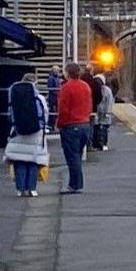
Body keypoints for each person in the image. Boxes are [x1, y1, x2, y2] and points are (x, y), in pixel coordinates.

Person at [4, 71, 49, 196]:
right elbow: (44, 113)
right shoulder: (38, 98)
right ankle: (32, 188)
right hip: (36, 131)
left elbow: (10, 113)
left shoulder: (13, 95)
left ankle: (20, 189)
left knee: (19, 161)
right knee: (33, 161)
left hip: (18, 130)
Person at [56, 60, 95, 193]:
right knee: (77, 155)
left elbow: (64, 109)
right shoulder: (85, 86)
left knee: (72, 157)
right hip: (85, 124)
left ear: (67, 73)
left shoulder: (67, 87)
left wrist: (59, 124)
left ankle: (75, 185)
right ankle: (77, 184)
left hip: (71, 126)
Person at [90, 71, 115, 154]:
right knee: (102, 128)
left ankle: (97, 144)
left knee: (97, 128)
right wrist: (108, 111)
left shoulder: (93, 88)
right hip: (103, 112)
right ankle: (102, 143)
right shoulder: (107, 90)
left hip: (98, 111)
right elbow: (110, 101)